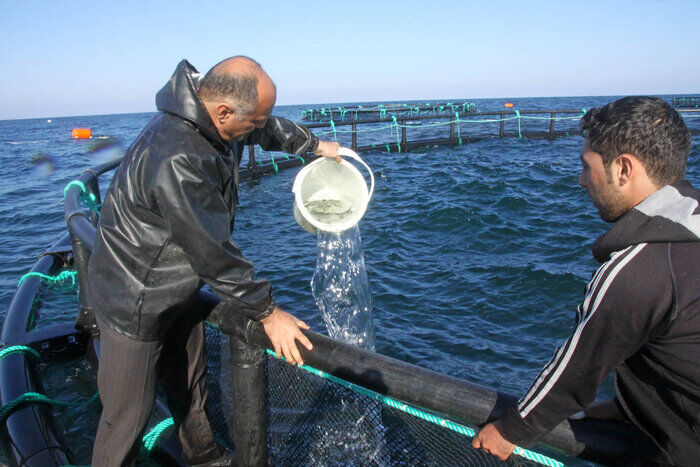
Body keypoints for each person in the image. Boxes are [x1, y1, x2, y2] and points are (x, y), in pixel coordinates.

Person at [87, 56, 341, 466]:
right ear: (224, 112)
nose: (260, 126)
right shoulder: (178, 156)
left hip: (177, 285)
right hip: (134, 297)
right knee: (126, 417)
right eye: (255, 120)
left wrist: (314, 146)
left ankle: (202, 454)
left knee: (189, 380)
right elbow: (213, 253)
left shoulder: (215, 116)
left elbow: (268, 128)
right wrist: (267, 312)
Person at [472, 96, 699, 464]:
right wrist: (631, 407)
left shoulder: (637, 268)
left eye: (586, 166)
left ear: (623, 169)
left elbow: (575, 372)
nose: (581, 181)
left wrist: (511, 430)